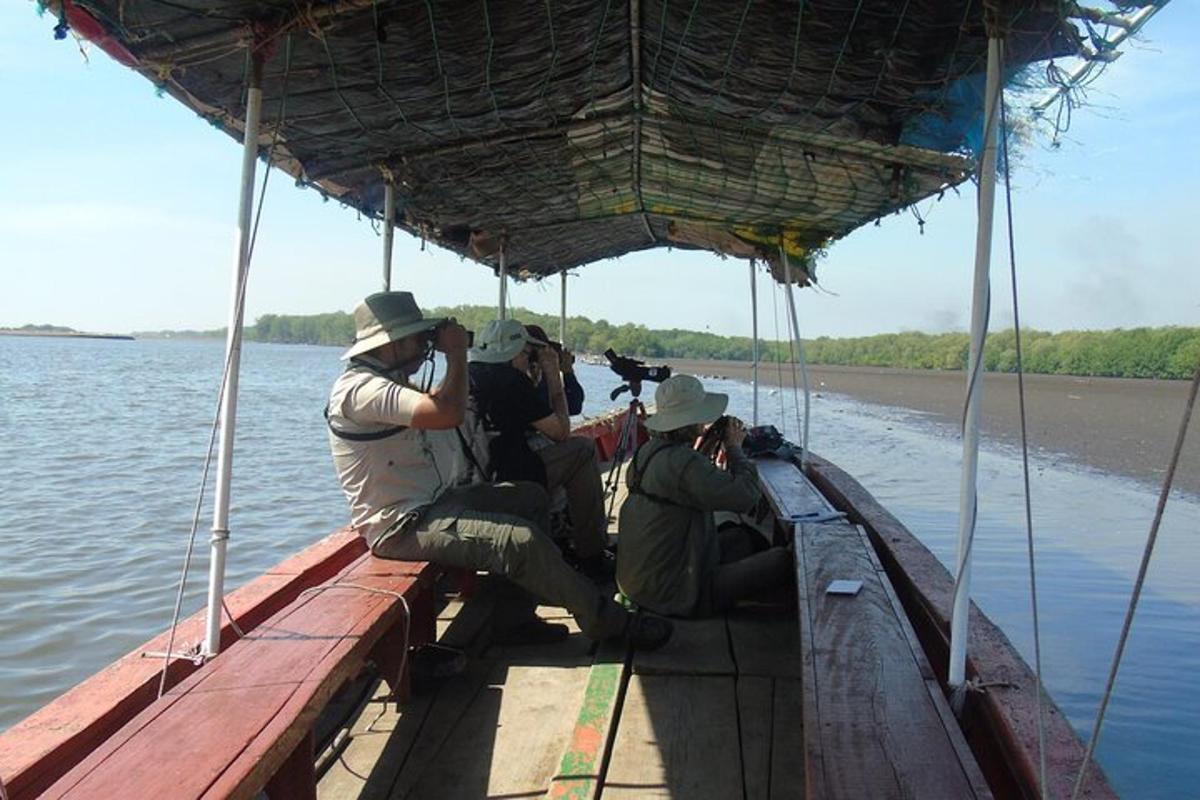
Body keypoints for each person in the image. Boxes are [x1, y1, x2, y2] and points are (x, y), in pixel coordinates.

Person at [326, 291, 671, 649]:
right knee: (518, 540)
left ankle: (515, 617)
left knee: (531, 498)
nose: (424, 345)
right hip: (401, 525)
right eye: (418, 337)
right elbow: (447, 414)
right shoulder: (361, 390)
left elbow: (442, 404)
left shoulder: (387, 380)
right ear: (392, 344)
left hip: (435, 502)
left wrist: (456, 359)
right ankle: (609, 622)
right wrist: (456, 353)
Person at [616, 375, 792, 617]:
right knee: (780, 560)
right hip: (674, 593)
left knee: (740, 537)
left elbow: (682, 486)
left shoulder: (646, 453)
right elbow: (746, 496)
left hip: (638, 582)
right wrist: (734, 448)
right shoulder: (685, 463)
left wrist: (706, 447)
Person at [468, 318, 614, 578]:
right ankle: (591, 554)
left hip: (477, 474)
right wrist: (552, 374)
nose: (528, 361)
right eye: (527, 354)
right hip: (512, 476)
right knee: (583, 449)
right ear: (515, 353)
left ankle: (565, 535)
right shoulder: (512, 380)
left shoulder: (471, 373)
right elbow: (560, 432)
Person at [524, 324, 585, 416]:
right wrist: (567, 372)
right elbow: (573, 406)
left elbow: (574, 406)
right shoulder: (530, 379)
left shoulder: (538, 376)